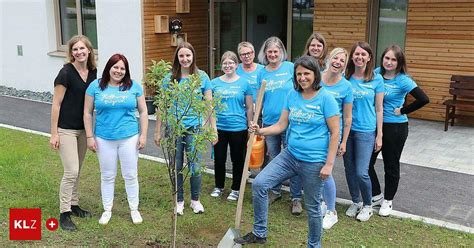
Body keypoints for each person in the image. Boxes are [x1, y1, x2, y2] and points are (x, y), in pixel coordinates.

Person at [235, 55, 340, 247]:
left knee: (313, 207)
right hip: (290, 155)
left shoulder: (326, 99)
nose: (302, 77)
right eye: (298, 74)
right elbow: (282, 124)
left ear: (315, 74)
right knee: (259, 184)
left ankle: (313, 245)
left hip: (314, 162)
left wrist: (329, 164)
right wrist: (261, 130)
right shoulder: (292, 95)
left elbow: (335, 133)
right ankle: (260, 233)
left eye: (306, 73)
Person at [83, 53, 148, 225]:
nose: (118, 71)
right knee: (107, 175)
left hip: (129, 137)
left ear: (126, 71)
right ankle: (107, 209)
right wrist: (90, 136)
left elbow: (143, 111)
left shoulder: (133, 86)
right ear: (109, 68)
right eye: (115, 67)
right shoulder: (95, 86)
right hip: (104, 138)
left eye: (122, 68)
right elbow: (87, 112)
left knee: (130, 175)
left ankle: (134, 209)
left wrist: (143, 135)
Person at [153, 42, 216, 215]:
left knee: (195, 166)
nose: (185, 59)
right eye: (181, 56)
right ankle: (179, 201)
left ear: (193, 56)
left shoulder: (202, 77)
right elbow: (161, 106)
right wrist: (157, 131)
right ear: (177, 58)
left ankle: (195, 200)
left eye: (188, 55)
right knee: (177, 166)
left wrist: (213, 129)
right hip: (174, 128)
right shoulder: (169, 78)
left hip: (194, 128)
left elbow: (210, 105)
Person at [369, 44, 429, 216]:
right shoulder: (377, 73)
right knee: (366, 163)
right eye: (387, 58)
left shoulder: (403, 79)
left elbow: (423, 99)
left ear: (399, 62)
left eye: (393, 59)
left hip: (395, 128)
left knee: (391, 165)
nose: (389, 62)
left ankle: (388, 200)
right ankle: (377, 195)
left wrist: (402, 110)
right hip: (375, 125)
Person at [50, 35, 96, 231]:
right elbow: (56, 104)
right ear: (71, 53)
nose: (79, 52)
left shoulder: (93, 72)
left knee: (78, 169)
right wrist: (54, 133)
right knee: (71, 171)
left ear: (89, 51)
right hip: (66, 129)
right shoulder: (65, 73)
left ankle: (74, 204)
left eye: (82, 49)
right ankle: (64, 213)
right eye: (75, 49)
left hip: (83, 130)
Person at [256, 36, 303, 215]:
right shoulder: (262, 72)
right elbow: (259, 97)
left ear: (281, 52)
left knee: (294, 160)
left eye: (276, 51)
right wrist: (257, 119)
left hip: (291, 121)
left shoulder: (290, 68)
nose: (273, 54)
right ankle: (275, 191)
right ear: (265, 53)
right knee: (275, 158)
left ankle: (296, 197)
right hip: (270, 122)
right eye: (270, 52)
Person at [343, 41, 384, 222]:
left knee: (362, 171)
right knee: (349, 169)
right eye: (356, 54)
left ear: (369, 58)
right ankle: (355, 201)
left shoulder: (377, 79)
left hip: (366, 131)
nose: (359, 57)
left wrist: (379, 134)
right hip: (347, 131)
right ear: (352, 57)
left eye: (363, 54)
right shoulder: (346, 77)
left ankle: (368, 205)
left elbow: (379, 109)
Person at [210, 51, 253, 201]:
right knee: (219, 159)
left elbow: (249, 107)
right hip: (220, 127)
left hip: (238, 128)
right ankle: (219, 186)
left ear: (236, 65)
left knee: (238, 160)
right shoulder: (214, 83)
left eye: (231, 63)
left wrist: (250, 125)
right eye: (225, 63)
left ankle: (235, 189)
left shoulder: (244, 83)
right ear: (221, 65)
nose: (228, 66)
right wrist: (212, 128)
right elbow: (210, 107)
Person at [319, 47, 353, 229]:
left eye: (342, 61)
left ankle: (331, 211)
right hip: (313, 132)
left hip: (332, 135)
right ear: (329, 59)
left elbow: (347, 117)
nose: (337, 62)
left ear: (344, 66)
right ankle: (323, 203)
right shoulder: (317, 78)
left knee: (326, 171)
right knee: (316, 170)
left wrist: (344, 141)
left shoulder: (346, 86)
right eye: (335, 58)